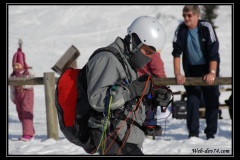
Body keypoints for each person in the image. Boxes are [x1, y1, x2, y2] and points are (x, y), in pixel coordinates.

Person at [86, 16, 172, 155]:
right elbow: (97, 100)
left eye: (152, 54)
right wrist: (131, 90)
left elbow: (127, 102)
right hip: (109, 137)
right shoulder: (107, 58)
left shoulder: (127, 64)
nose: (148, 58)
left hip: (125, 138)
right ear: (135, 41)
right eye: (147, 52)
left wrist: (152, 98)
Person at [171, 5, 220, 140]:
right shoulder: (180, 29)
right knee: (193, 100)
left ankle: (210, 133)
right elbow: (176, 53)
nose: (186, 18)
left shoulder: (206, 27)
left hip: (209, 66)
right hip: (192, 69)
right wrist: (178, 74)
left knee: (212, 98)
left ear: (197, 15)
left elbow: (213, 53)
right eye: (184, 15)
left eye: (189, 15)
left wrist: (212, 72)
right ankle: (193, 134)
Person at [10, 46, 35, 141]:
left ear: (23, 64)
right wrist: (13, 98)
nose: (16, 67)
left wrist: (24, 86)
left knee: (26, 113)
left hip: (27, 96)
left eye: (17, 65)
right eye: (14, 65)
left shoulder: (28, 72)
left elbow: (32, 83)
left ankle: (27, 134)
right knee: (20, 114)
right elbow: (12, 88)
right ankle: (30, 130)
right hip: (18, 97)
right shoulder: (12, 76)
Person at [137, 52, 167, 126]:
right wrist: (164, 90)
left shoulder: (134, 49)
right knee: (148, 116)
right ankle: (149, 132)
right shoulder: (152, 52)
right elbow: (159, 73)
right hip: (147, 90)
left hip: (132, 87)